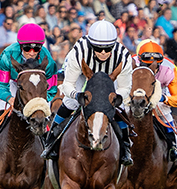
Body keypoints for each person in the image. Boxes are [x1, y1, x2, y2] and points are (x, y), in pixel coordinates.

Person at [42, 20, 134, 165]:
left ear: (114, 45)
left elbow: (124, 88)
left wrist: (118, 97)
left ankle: (125, 146)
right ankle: (51, 141)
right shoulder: (78, 53)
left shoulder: (123, 57)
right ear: (91, 44)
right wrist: (76, 95)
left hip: (110, 74)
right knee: (70, 102)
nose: (103, 52)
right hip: (82, 72)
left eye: (108, 48)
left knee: (119, 107)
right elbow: (68, 85)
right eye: (98, 48)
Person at [0, 23, 57, 168]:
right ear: (21, 46)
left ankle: (50, 148)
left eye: (37, 48)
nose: (32, 52)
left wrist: (41, 102)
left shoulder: (47, 58)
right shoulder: (8, 54)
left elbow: (52, 86)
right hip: (12, 83)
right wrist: (10, 99)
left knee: (44, 116)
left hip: (36, 87)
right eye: (28, 48)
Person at [133, 40, 177, 163]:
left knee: (165, 113)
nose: (151, 68)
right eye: (147, 65)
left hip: (159, 99)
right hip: (135, 97)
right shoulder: (129, 64)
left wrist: (165, 98)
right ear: (139, 60)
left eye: (155, 64)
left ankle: (173, 147)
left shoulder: (169, 69)